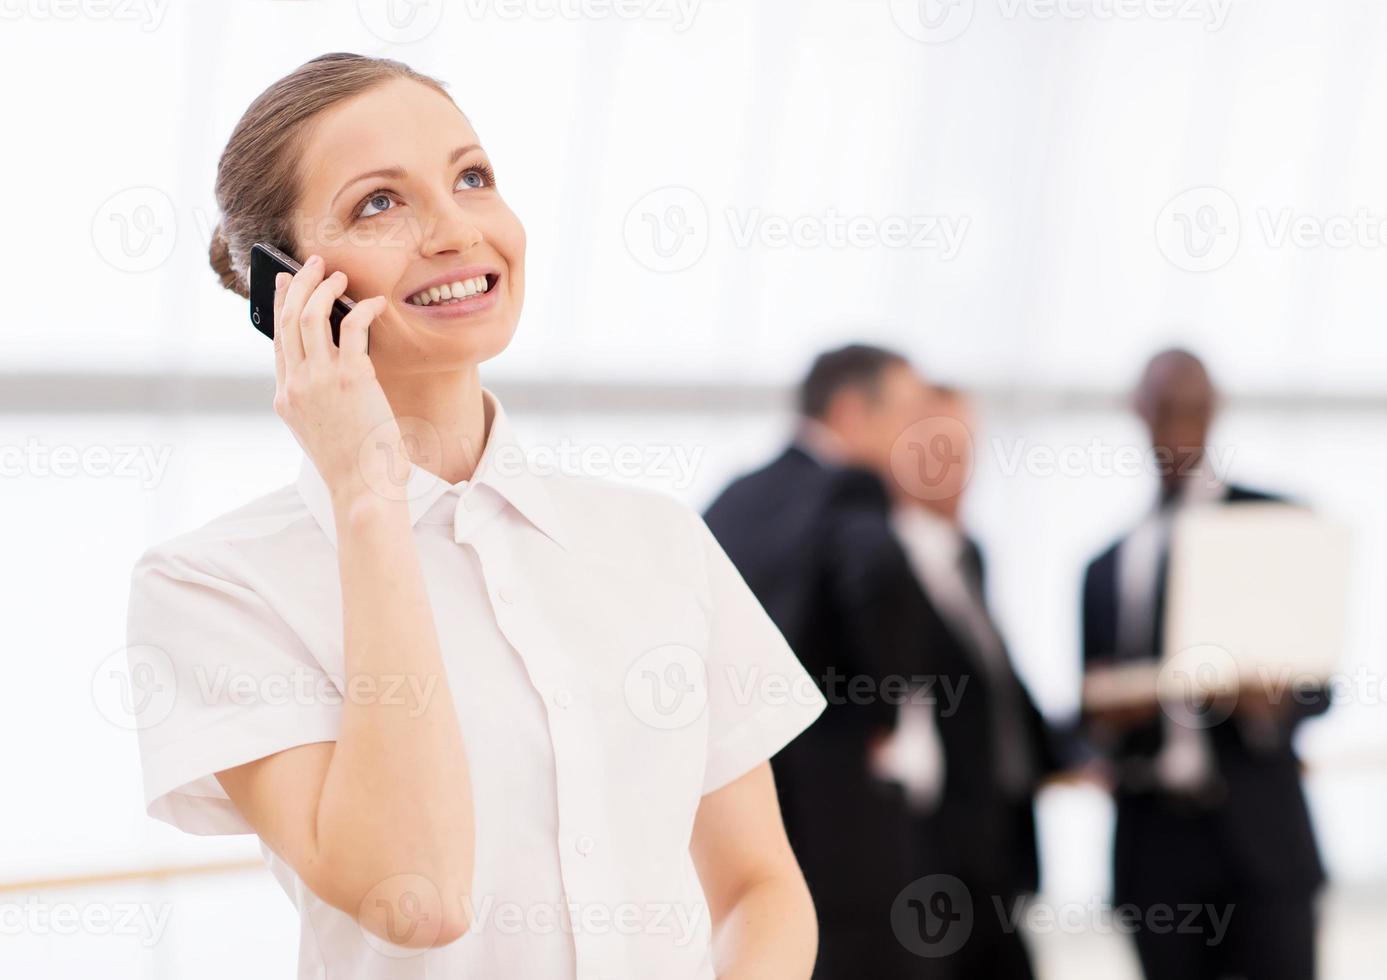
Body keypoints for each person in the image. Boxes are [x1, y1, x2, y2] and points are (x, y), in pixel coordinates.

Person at [123, 52, 823, 980]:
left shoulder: (657, 541)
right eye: (381, 203)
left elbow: (757, 887)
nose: (456, 229)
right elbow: (416, 898)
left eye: (472, 178)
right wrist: (367, 496)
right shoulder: (212, 586)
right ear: (284, 285)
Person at [1079, 349, 1330, 980]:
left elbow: (1320, 685)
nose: (1176, 429)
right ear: (1137, 413)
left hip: (1260, 834)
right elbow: (1086, 700)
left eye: (1190, 410)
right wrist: (1103, 722)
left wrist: (1268, 701)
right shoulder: (1105, 564)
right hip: (1153, 841)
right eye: (1162, 411)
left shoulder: (1276, 524)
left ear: (1215, 412)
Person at [702, 344, 944, 979]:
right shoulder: (852, 487)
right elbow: (874, 583)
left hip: (742, 795)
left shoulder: (735, 498)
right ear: (850, 412)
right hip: (841, 797)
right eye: (906, 412)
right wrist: (885, 714)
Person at [885, 383, 1066, 980]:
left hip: (1000, 839)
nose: (954, 467)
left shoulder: (970, 555)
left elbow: (996, 687)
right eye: (935, 447)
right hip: (928, 855)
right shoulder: (879, 559)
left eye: (963, 448)